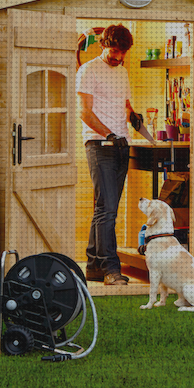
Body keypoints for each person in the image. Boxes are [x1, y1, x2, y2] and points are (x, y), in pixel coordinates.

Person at [76, 24, 137, 285]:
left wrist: (133, 116)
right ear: (103, 45)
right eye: (114, 50)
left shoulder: (122, 71)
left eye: (122, 52)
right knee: (107, 210)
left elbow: (124, 104)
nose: (118, 56)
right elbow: (85, 112)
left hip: (122, 144)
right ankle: (112, 270)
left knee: (105, 208)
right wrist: (109, 135)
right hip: (99, 145)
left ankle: (93, 266)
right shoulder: (88, 70)